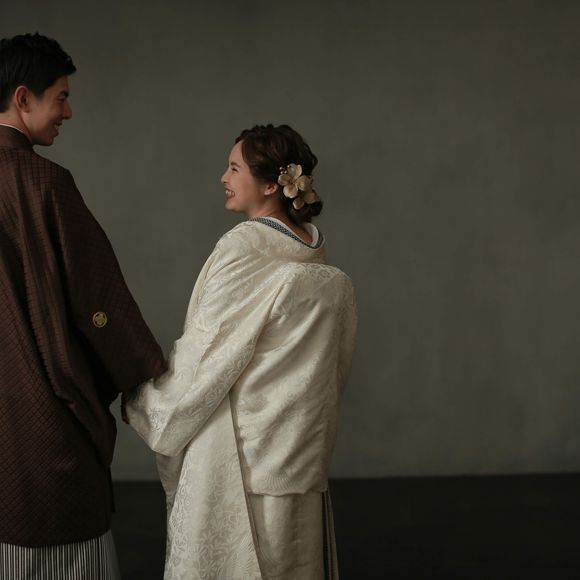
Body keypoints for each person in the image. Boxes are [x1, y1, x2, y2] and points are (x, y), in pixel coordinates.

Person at [127, 124, 357, 579]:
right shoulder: (312, 253)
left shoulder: (244, 247)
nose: (223, 177)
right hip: (298, 446)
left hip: (241, 454)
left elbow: (207, 351)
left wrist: (145, 399)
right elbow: (335, 366)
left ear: (272, 185)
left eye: (234, 168)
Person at [0, 33, 166, 579]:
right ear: (22, 99)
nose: (68, 112)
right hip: (40, 410)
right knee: (62, 535)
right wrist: (145, 372)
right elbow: (96, 301)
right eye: (61, 98)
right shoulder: (45, 183)